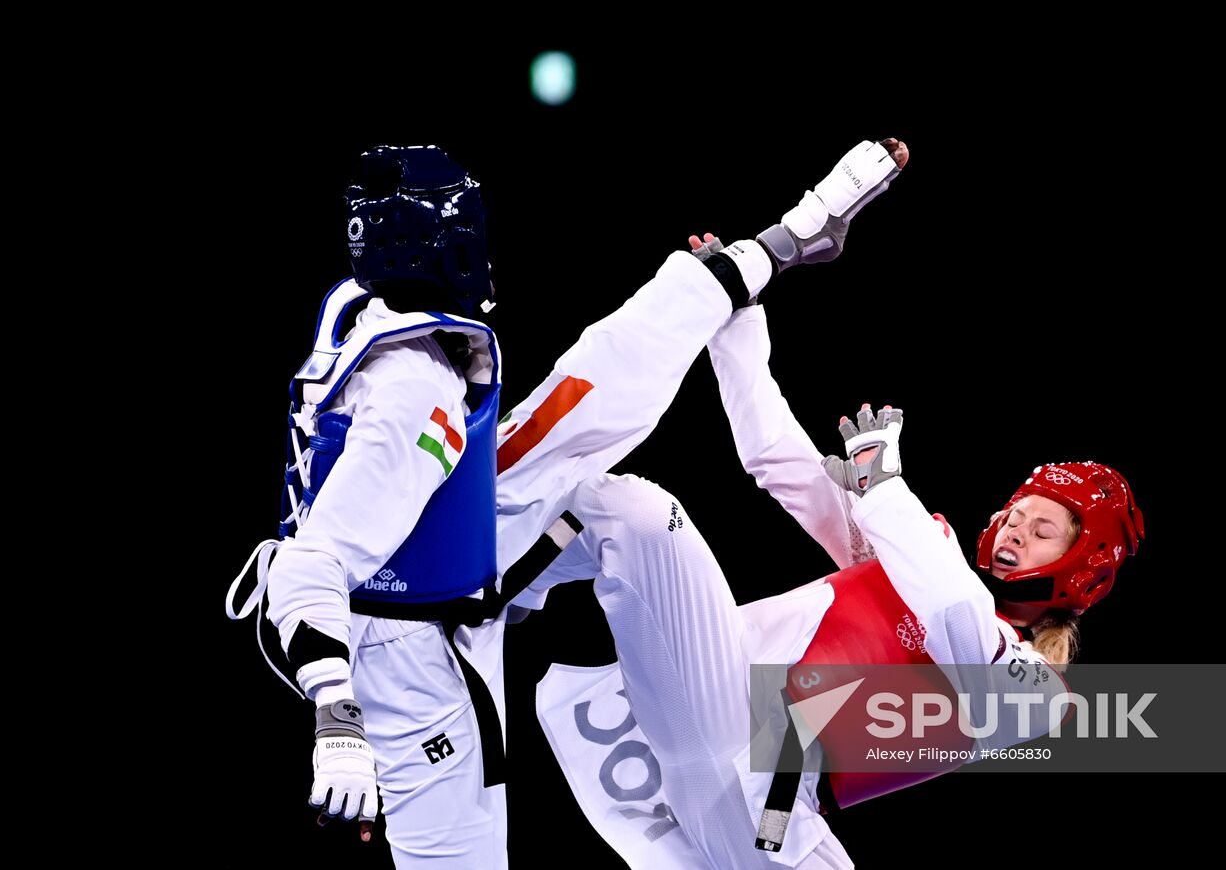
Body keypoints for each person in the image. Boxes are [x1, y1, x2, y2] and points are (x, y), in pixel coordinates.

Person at [225, 139, 910, 867]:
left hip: (449, 545)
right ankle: (779, 244)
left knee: (599, 441)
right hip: (402, 642)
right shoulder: (412, 394)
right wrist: (339, 717)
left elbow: (633, 382)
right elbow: (312, 564)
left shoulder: (362, 308)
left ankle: (780, 242)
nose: (1014, 528)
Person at [524, 246, 1146, 867]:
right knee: (634, 513)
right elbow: (779, 459)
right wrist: (735, 319)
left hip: (770, 817)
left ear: (1081, 566)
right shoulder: (913, 550)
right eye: (1018, 511)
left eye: (1043, 529)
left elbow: (957, 620)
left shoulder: (1037, 694)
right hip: (707, 712)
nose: (1016, 528)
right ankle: (487, 589)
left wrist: (885, 491)